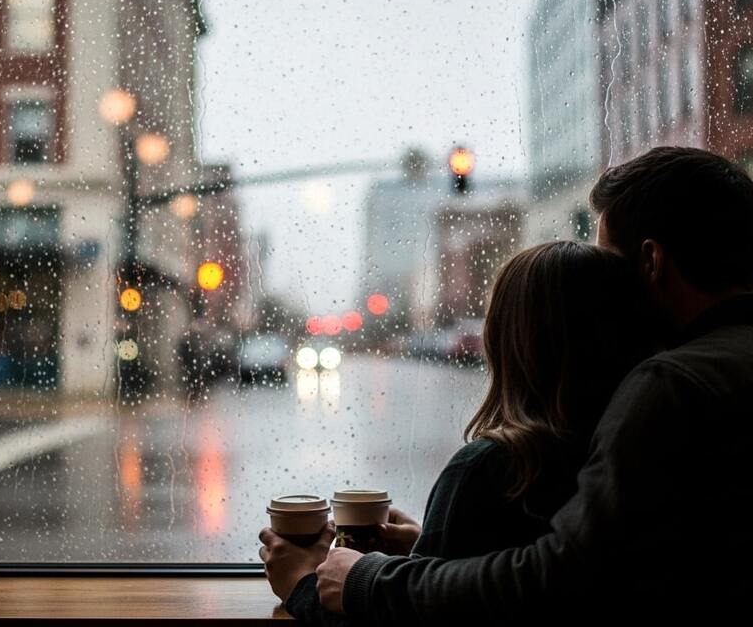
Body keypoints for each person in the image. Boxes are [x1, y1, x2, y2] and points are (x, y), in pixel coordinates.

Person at [302, 147, 753, 622]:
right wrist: (430, 549)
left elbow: (559, 581)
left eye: (609, 264)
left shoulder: (674, 386)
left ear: (651, 263)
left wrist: (365, 580)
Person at [259, 241, 652, 624]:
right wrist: (425, 545)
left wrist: (303, 583)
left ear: (504, 341)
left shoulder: (489, 468)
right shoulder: (636, 457)